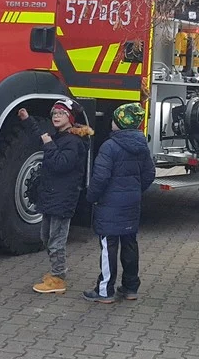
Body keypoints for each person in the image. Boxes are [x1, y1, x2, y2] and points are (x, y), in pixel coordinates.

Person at [82, 103, 156, 303]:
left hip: (110, 204)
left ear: (119, 124)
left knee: (109, 245)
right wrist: (135, 190)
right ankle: (131, 287)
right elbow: (149, 174)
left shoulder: (109, 146)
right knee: (130, 243)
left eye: (114, 119)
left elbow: (100, 177)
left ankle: (105, 290)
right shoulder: (141, 146)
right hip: (132, 203)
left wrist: (92, 197)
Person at [18, 100, 93, 296]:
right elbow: (41, 138)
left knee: (57, 240)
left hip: (63, 198)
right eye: (54, 114)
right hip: (51, 197)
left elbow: (61, 164)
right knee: (46, 236)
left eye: (61, 113)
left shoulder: (74, 142)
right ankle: (55, 271)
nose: (56, 116)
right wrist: (28, 121)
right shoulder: (59, 137)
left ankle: (58, 278)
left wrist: (49, 145)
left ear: (70, 117)